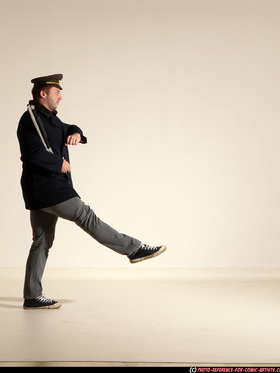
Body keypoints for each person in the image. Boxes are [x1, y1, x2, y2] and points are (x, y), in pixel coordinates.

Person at [17, 74, 167, 309]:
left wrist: (76, 132)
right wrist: (58, 164)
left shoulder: (50, 119)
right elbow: (32, 154)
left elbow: (68, 127)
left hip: (45, 189)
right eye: (56, 93)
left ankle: (32, 296)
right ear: (43, 94)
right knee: (86, 216)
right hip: (48, 187)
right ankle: (134, 249)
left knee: (42, 241)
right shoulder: (30, 119)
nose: (60, 97)